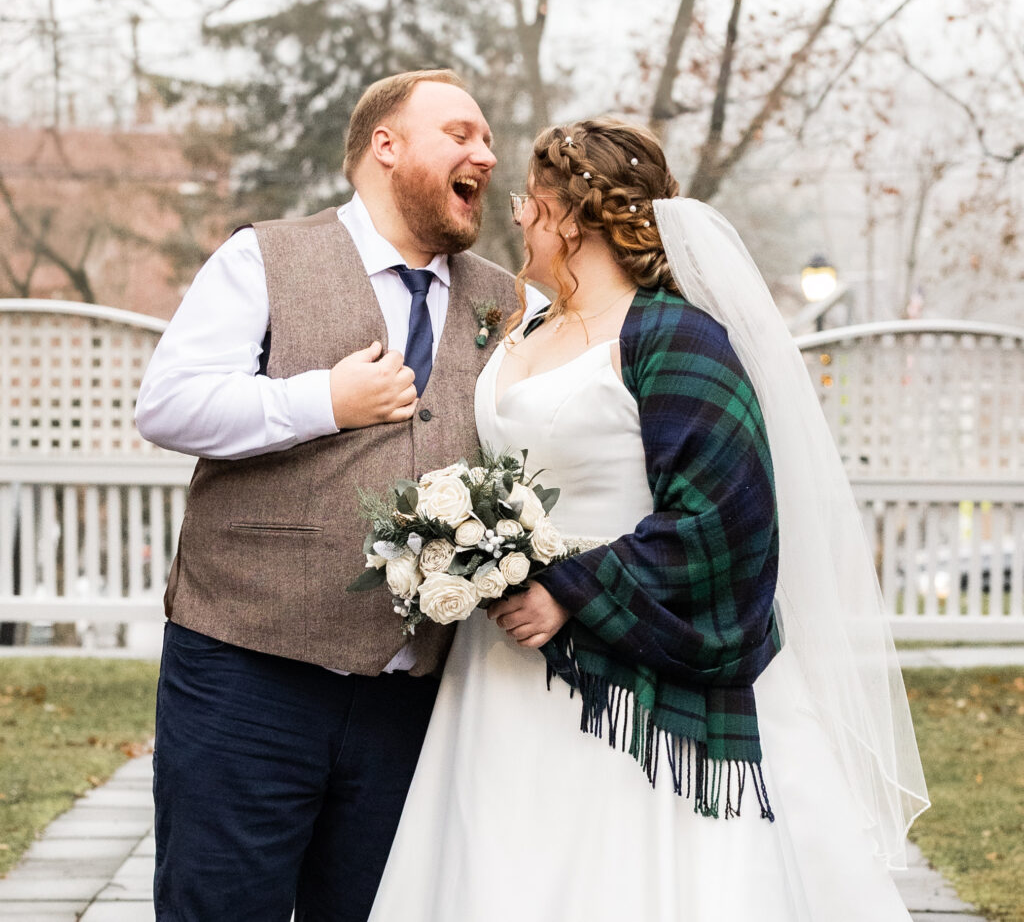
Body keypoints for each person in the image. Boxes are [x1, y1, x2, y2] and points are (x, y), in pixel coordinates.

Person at [367, 118, 930, 921]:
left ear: (575, 215)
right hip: (496, 684)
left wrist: (566, 590)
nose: (517, 215)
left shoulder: (675, 336)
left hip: (632, 679)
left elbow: (724, 521)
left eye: (533, 200)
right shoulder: (528, 328)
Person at [135, 69, 541, 921]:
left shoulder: (504, 300)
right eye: (461, 134)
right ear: (385, 147)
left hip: (415, 696)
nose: (488, 156)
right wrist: (322, 401)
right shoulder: (265, 257)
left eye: (489, 140)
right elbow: (167, 404)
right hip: (248, 674)